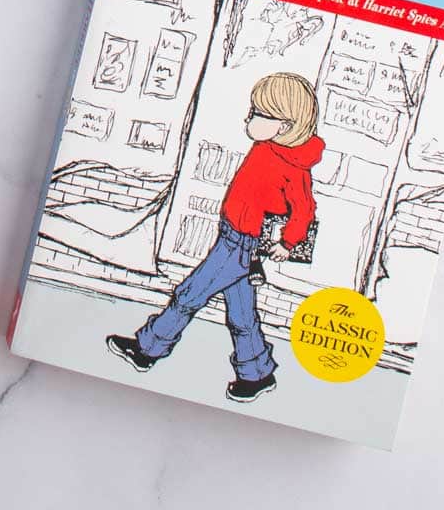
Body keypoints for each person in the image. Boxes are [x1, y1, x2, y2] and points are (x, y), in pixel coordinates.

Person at [107, 72, 323, 402]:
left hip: (239, 245)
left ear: (284, 124)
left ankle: (147, 349)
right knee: (241, 314)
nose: (248, 118)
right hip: (234, 238)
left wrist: (288, 242)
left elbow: (304, 209)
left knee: (189, 294)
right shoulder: (266, 148)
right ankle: (257, 373)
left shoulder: (293, 166)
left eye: (257, 113)